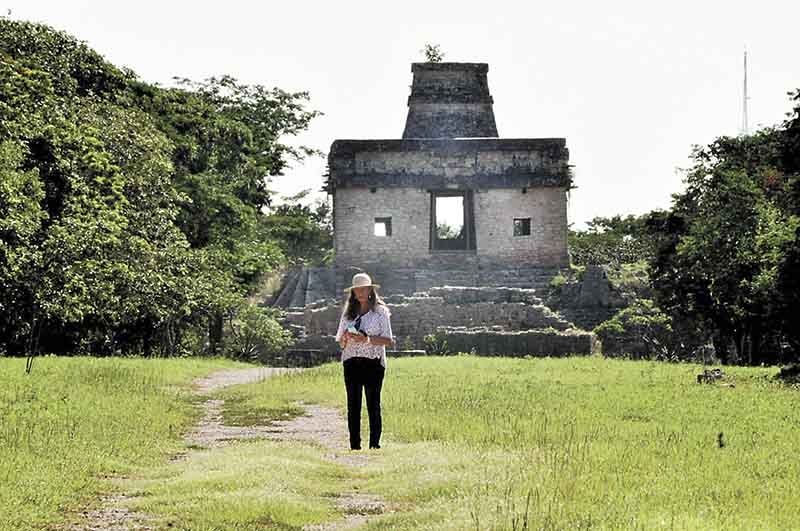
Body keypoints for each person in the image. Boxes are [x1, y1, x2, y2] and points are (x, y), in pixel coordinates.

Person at [334, 272, 394, 450]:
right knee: (353, 405)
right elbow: (340, 341)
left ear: (370, 290)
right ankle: (355, 445)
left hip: (373, 362)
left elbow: (388, 340)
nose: (360, 292)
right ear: (353, 292)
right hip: (351, 361)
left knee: (373, 404)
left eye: (363, 289)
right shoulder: (348, 315)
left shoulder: (380, 312)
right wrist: (345, 337)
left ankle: (374, 444)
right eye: (356, 289)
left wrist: (366, 339)